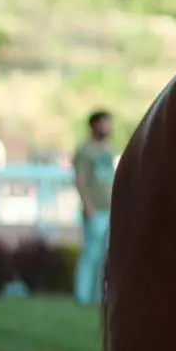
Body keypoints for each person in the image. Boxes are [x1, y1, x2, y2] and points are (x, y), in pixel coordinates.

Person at [72, 110, 117, 306]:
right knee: (90, 253)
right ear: (94, 125)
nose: (109, 127)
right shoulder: (84, 151)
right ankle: (82, 295)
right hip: (94, 210)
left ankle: (97, 296)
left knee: (104, 255)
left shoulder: (108, 150)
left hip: (109, 209)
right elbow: (80, 181)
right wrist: (87, 206)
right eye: (105, 123)